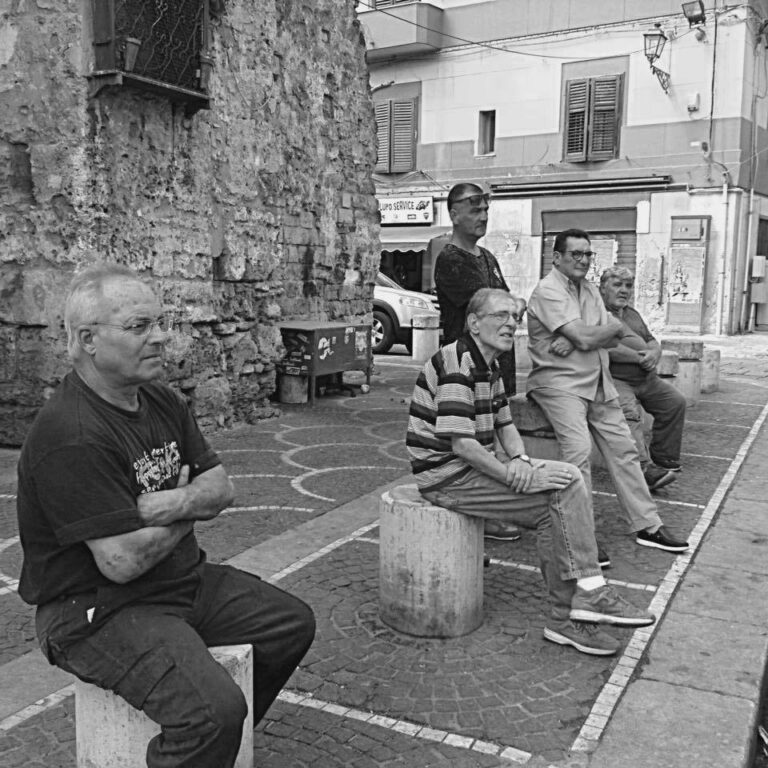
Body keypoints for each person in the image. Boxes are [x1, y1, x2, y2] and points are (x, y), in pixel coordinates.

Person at [16, 263, 316, 768]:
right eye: (140, 327)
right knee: (213, 712)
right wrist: (189, 510)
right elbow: (121, 562)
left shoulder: (159, 397)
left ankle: (207, 754)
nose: (161, 338)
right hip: (94, 611)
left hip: (176, 581)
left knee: (289, 624)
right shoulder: (72, 433)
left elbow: (220, 487)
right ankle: (203, 742)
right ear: (88, 339)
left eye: (161, 323)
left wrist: (167, 505)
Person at [406, 287, 657, 657]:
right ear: (474, 323)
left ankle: (569, 614)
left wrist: (522, 461)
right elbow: (462, 445)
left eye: (515, 317)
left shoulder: (488, 363)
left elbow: (506, 423)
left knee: (559, 497)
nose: (511, 324)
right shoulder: (458, 363)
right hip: (446, 477)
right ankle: (587, 595)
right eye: (501, 316)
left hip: (469, 467)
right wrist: (512, 475)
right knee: (563, 487)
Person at [526, 229, 689, 559]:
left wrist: (585, 335)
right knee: (578, 451)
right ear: (557, 257)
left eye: (588, 255)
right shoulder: (548, 290)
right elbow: (596, 336)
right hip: (559, 384)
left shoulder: (588, 289)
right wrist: (597, 332)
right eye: (576, 254)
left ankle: (647, 524)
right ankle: (581, 536)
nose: (584, 261)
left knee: (625, 449)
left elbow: (619, 334)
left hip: (598, 381)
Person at [434, 182, 524, 542]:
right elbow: (496, 306)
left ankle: (497, 504)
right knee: (471, 442)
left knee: (495, 434)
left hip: (496, 363)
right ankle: (484, 511)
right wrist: (512, 305)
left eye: (485, 210)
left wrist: (510, 306)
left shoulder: (487, 257)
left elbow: (508, 306)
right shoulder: (451, 259)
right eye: (474, 209)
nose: (482, 216)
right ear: (454, 213)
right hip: (467, 365)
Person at [599, 266, 686, 489]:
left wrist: (655, 353)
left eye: (628, 286)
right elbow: (603, 347)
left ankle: (665, 459)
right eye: (617, 285)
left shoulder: (632, 314)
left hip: (647, 379)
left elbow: (651, 339)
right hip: (616, 379)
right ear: (602, 287)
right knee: (630, 414)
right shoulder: (596, 313)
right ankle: (643, 470)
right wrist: (639, 358)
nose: (624, 290)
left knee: (674, 403)